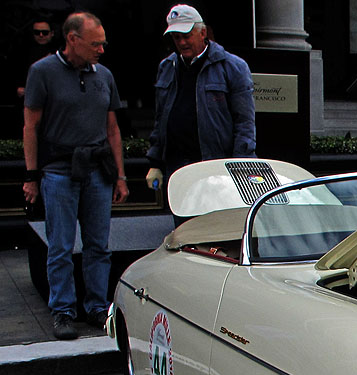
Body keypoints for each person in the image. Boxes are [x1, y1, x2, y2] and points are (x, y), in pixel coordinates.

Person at [22, 12, 128, 340]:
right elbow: (31, 126)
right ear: (72, 39)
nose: (101, 49)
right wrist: (31, 176)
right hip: (59, 171)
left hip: (98, 170)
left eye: (103, 43)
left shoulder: (104, 75)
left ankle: (96, 306)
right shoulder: (43, 72)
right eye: (95, 43)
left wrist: (121, 176)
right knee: (60, 245)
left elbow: (112, 129)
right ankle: (64, 311)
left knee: (98, 244)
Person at [145, 4, 256, 195]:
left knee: (216, 222)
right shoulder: (167, 67)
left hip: (215, 166)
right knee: (183, 223)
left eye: (187, 36)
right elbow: (160, 118)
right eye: (176, 37)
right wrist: (155, 162)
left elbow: (244, 122)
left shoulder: (232, 66)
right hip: (177, 166)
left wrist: (241, 166)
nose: (181, 43)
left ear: (202, 32)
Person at [17, 19, 57, 100]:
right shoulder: (23, 52)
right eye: (37, 32)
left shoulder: (60, 52)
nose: (41, 35)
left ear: (52, 33)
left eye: (45, 32)